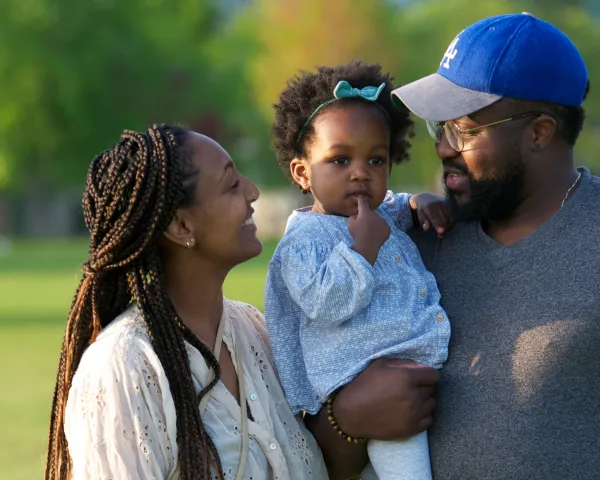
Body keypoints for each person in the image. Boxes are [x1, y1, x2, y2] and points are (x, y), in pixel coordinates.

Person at [44, 123, 439, 480]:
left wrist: (351, 417)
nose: (252, 192)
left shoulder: (254, 332)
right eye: (231, 185)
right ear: (182, 227)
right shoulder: (124, 368)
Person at [391, 13, 599, 480]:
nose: (443, 148)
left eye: (462, 130)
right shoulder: (415, 241)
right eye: (438, 127)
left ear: (538, 133)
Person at [266, 60, 453, 479]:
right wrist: (360, 251)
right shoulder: (304, 242)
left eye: (375, 160)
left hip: (407, 376)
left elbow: (398, 209)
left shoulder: (380, 211)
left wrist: (417, 201)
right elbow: (323, 302)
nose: (360, 174)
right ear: (302, 172)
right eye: (339, 160)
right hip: (368, 388)